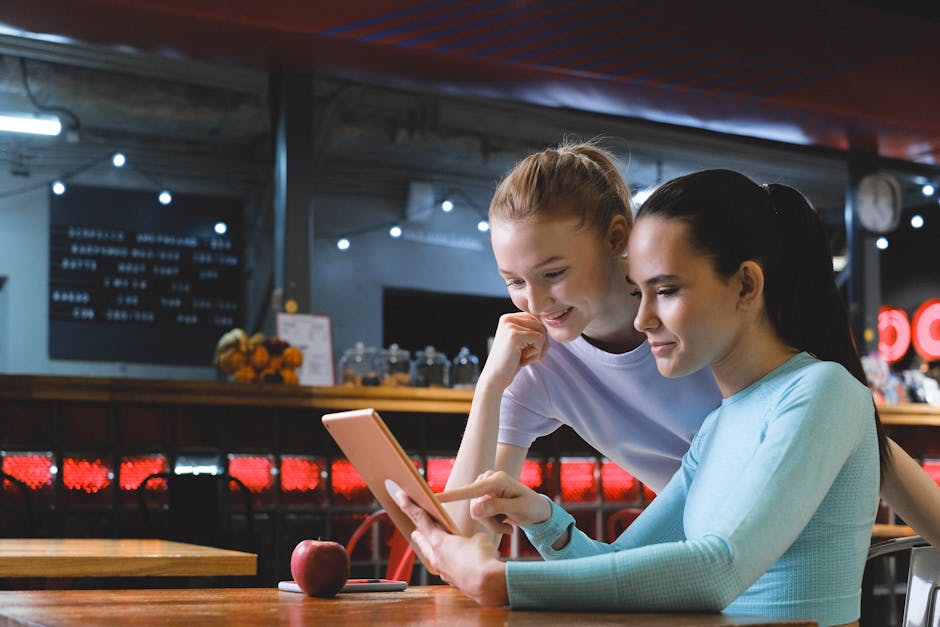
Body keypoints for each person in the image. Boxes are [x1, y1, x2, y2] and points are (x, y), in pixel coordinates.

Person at [393, 169, 885, 624]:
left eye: (666, 291)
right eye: (641, 292)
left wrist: (498, 580)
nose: (643, 318)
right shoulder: (722, 422)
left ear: (746, 285)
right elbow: (620, 565)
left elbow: (719, 569)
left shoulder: (824, 391)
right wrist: (545, 520)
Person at [440, 141, 940, 548]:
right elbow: (467, 527)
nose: (537, 301)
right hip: (700, 546)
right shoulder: (540, 359)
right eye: (515, 281)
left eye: (554, 273)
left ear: (618, 237)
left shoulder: (698, 326)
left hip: (779, 547)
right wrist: (491, 385)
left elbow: (868, 446)